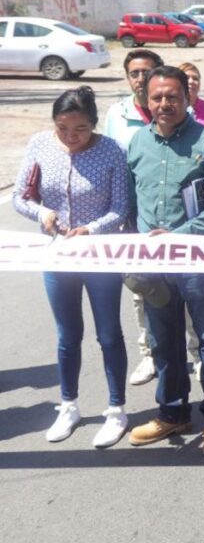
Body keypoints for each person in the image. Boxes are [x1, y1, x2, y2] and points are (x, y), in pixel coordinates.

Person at [125, 66, 204, 458]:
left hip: (197, 261)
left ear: (187, 98)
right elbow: (130, 203)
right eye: (157, 97)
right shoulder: (138, 142)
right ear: (146, 99)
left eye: (172, 96)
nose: (164, 104)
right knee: (162, 340)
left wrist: (180, 234)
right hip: (154, 264)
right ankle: (172, 412)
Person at [13, 87, 130, 448]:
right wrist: (41, 212)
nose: (70, 136)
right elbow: (20, 196)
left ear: (94, 124)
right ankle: (69, 405)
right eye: (62, 128)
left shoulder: (111, 150)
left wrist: (90, 229)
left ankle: (116, 409)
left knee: (108, 334)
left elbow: (121, 207)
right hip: (57, 256)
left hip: (99, 256)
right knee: (67, 335)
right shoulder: (40, 144)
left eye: (79, 129)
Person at [103, 49, 177, 387]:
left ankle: (193, 352)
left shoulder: (174, 108)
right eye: (134, 73)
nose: (140, 78)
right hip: (135, 224)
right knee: (143, 295)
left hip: (176, 226)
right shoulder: (116, 116)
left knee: (182, 294)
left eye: (147, 72)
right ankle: (149, 355)